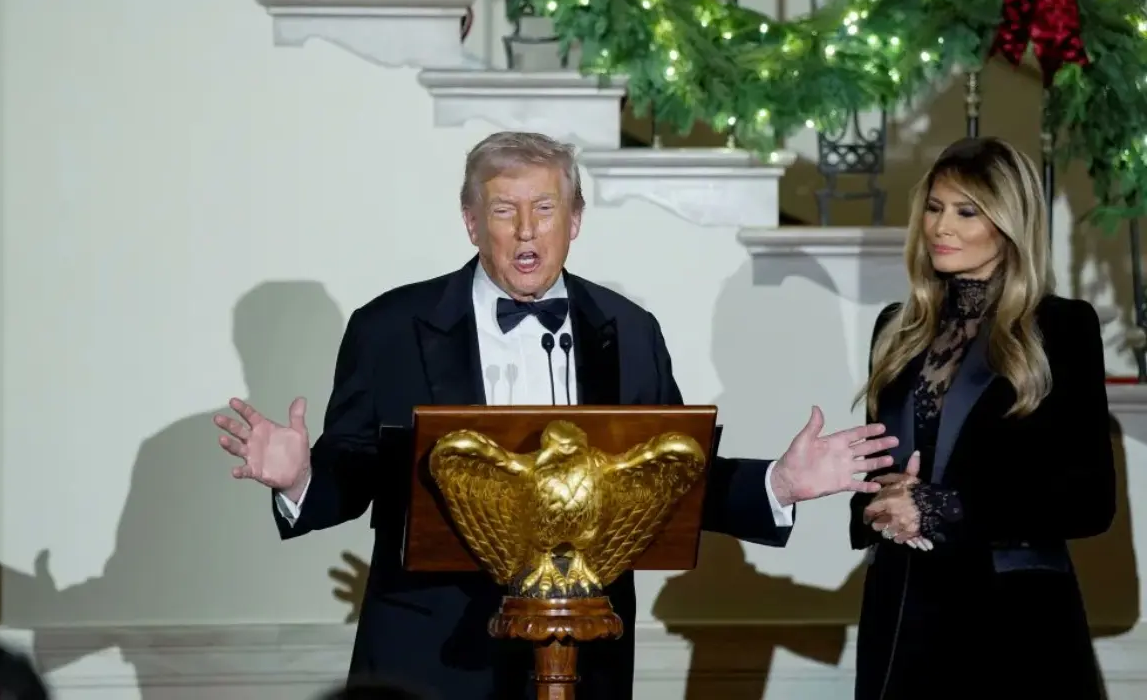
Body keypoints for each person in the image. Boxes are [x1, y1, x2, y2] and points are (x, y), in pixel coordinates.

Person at [213, 131, 898, 700]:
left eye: (545, 209)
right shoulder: (390, 326)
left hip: (583, 649)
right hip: (430, 654)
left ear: (574, 221)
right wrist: (299, 478)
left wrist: (779, 483)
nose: (526, 231)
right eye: (504, 210)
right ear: (471, 220)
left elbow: (670, 477)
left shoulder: (629, 330)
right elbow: (356, 466)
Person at [849, 137, 1114, 700]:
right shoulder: (895, 329)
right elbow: (870, 475)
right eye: (935, 207)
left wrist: (940, 505)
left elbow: (1089, 499)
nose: (942, 226)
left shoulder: (1062, 328)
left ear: (1009, 223)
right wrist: (879, 501)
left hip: (1013, 618)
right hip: (902, 612)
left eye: (967, 211)